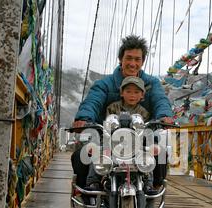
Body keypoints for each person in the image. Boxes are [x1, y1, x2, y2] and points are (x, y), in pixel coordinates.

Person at [71, 35, 174, 190]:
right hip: (107, 137)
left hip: (141, 137)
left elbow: (160, 99)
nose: (133, 64)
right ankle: (86, 198)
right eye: (129, 58)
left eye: (137, 59)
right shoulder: (104, 84)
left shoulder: (152, 84)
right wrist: (84, 118)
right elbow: (93, 101)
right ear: (121, 59)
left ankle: (154, 188)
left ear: (142, 61)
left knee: (160, 155)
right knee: (81, 156)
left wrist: (164, 116)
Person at [85, 76, 152, 190]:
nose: (132, 95)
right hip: (112, 142)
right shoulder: (112, 107)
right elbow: (107, 127)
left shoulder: (143, 112)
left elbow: (145, 131)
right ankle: (93, 182)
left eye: (136, 92)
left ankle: (148, 183)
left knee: (146, 156)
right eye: (128, 91)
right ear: (121, 93)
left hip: (135, 144)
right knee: (99, 153)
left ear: (142, 95)